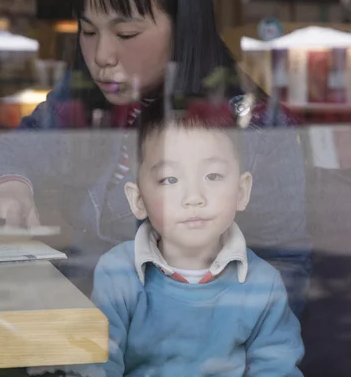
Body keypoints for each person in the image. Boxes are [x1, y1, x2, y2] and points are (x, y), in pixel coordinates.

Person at [0, 0, 311, 316]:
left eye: (126, 34)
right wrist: (9, 187)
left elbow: (285, 275)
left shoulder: (254, 129)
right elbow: (18, 147)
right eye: (88, 31)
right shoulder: (85, 96)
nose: (101, 55)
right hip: (81, 324)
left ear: (184, 26)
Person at [83, 103, 304, 376]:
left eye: (212, 176)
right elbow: (98, 365)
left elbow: (277, 369)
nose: (194, 197)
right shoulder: (118, 273)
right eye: (169, 179)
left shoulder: (262, 283)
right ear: (138, 200)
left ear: (241, 190)